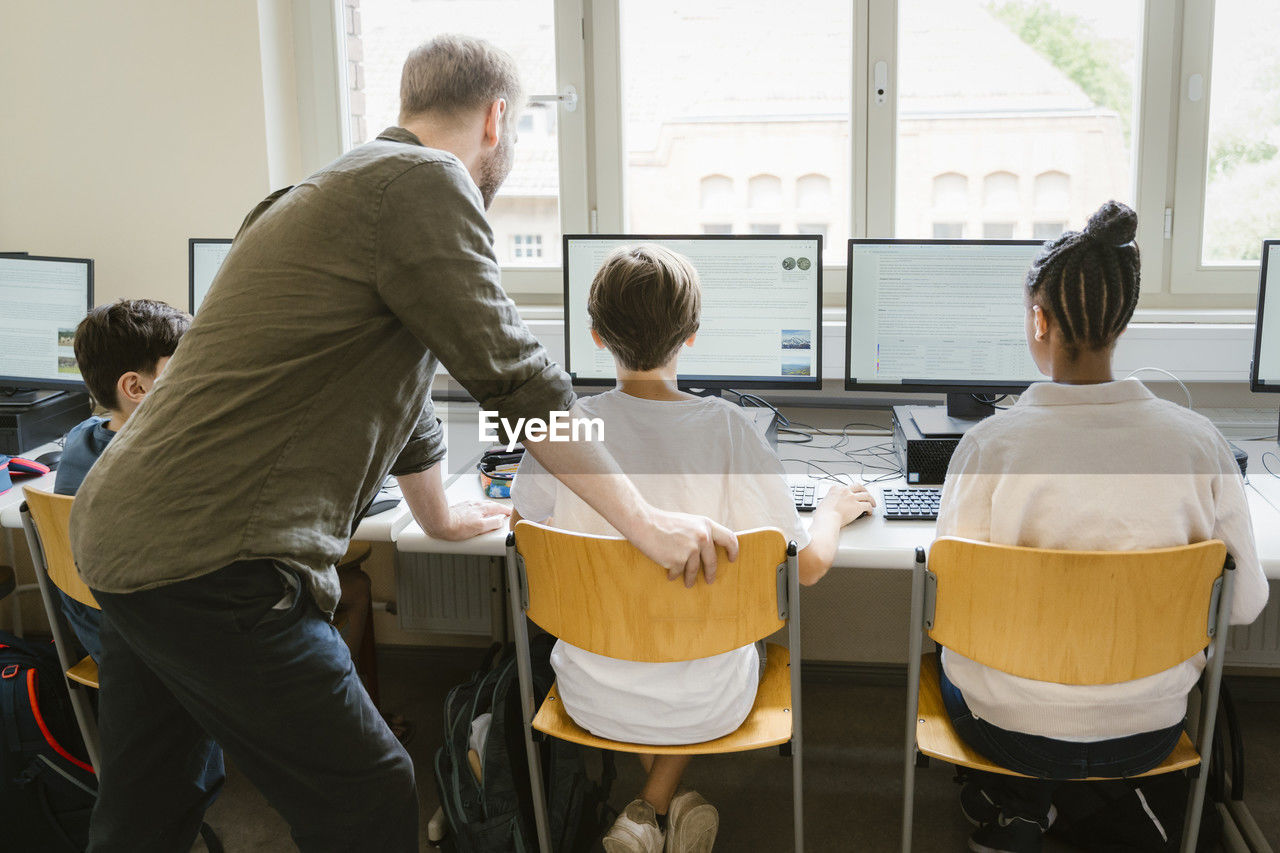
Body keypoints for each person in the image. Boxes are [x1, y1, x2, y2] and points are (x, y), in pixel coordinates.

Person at [69, 36, 736, 853]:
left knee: (152, 798)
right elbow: (520, 380)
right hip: (214, 559)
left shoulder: (311, 193)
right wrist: (649, 522)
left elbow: (403, 375)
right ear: (497, 120)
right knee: (369, 793)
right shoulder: (429, 183)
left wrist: (439, 512)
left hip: (120, 529)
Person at [510, 244, 877, 853]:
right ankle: (655, 806)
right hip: (709, 706)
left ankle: (653, 808)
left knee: (649, 629)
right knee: (728, 637)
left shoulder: (564, 429)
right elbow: (807, 567)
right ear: (693, 336)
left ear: (597, 337)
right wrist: (834, 511)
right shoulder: (729, 429)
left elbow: (525, 531)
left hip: (589, 696)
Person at [934, 201, 1270, 853]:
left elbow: (950, 603)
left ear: (1038, 320)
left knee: (944, 648)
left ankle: (1018, 800)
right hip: (1149, 728)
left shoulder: (990, 446)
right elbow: (1247, 603)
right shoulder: (1199, 444)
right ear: (1123, 320)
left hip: (1009, 728)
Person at [52, 299, 190, 663]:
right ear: (135, 388)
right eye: (183, 369)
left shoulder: (81, 438)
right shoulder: (163, 462)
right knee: (347, 588)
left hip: (100, 643)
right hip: (158, 653)